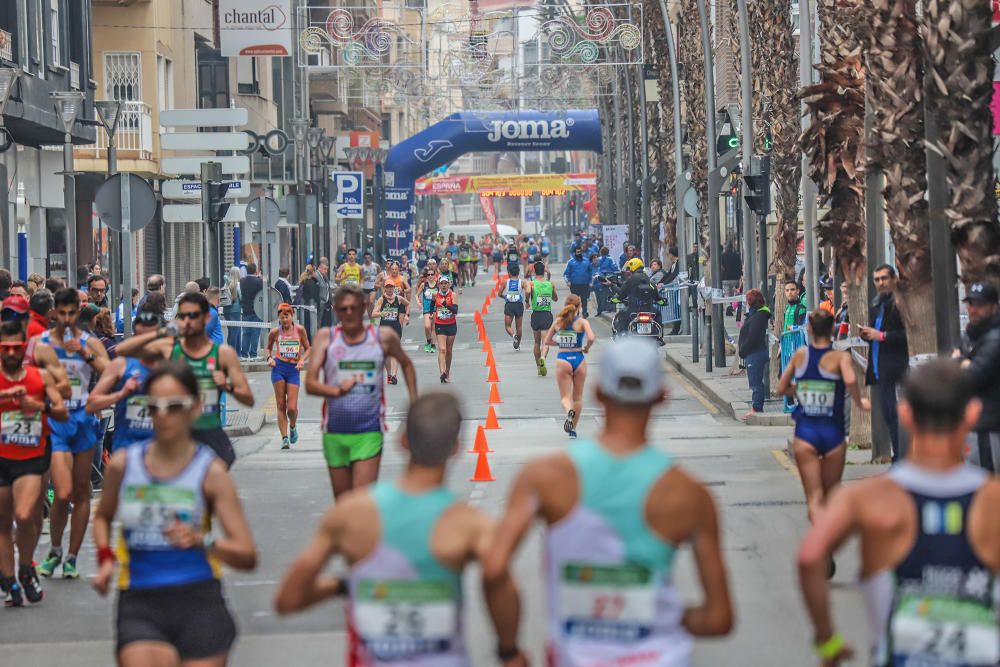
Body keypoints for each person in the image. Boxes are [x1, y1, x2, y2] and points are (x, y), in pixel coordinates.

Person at [485, 337, 734, 666]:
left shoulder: (545, 477)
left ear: (599, 393)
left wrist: (509, 649)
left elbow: (493, 569)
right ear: (661, 396)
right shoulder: (690, 494)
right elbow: (719, 618)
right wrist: (658, 617)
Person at [274, 392, 525, 665]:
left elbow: (289, 598)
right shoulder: (470, 524)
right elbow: (497, 578)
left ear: (402, 440)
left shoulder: (349, 514)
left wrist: (343, 585)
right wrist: (508, 651)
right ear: (455, 448)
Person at [797, 358, 1000, 667]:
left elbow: (810, 558)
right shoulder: (992, 499)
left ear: (905, 415)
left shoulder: (868, 498)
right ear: (972, 414)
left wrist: (828, 641)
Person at [91, 361, 258, 666]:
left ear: (195, 408)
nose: (164, 415)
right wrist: (105, 559)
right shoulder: (123, 465)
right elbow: (102, 517)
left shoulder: (211, 472)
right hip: (140, 600)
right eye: (155, 407)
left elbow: (247, 554)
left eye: (175, 406)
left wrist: (202, 541)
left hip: (199, 600)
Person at [777, 310, 871, 579]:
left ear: (808, 330)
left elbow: (782, 388)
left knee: (814, 499)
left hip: (806, 433)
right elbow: (851, 380)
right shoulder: (840, 357)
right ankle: (825, 542)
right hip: (832, 435)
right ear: (831, 331)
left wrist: (800, 392)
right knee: (830, 495)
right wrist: (859, 401)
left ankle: (821, 544)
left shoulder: (800, 356)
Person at [114, 292, 255, 468]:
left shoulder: (223, 354)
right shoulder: (169, 348)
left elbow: (249, 399)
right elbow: (122, 350)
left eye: (193, 315)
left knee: (210, 487)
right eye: (183, 316)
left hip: (209, 433)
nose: (188, 321)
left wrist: (227, 386)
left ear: (206, 318)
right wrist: (162, 332)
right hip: (178, 436)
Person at [306, 285, 417, 499]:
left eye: (353, 308)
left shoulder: (382, 337)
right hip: (335, 432)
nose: (349, 313)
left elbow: (407, 364)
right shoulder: (325, 338)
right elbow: (310, 383)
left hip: (369, 431)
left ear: (363, 308)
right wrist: (336, 391)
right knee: (343, 502)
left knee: (362, 500)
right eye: (344, 309)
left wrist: (415, 405)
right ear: (336, 311)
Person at [34, 288, 111, 580]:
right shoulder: (41, 344)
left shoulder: (89, 342)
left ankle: (71, 557)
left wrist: (86, 354)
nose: (66, 319)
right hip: (54, 421)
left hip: (83, 419)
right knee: (62, 492)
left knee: (81, 493)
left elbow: (109, 371)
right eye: (61, 313)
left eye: (71, 314)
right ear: (54, 313)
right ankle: (54, 548)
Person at [0, 320, 68, 606]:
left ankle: (26, 565)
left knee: (26, 514)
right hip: (2, 457)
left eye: (17, 346)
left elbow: (62, 411)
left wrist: (40, 406)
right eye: (6, 348)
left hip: (31, 456)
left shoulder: (40, 376)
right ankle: (10, 580)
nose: (12, 352)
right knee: (2, 523)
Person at [860, 264, 909, 462]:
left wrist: (881, 335)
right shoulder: (876, 304)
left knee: (899, 418)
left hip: (898, 370)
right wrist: (867, 335)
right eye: (877, 279)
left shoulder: (900, 303)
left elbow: (909, 335)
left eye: (884, 278)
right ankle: (898, 457)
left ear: (893, 278)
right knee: (889, 416)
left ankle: (902, 459)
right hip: (880, 371)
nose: (881, 283)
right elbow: (874, 334)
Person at [957, 281, 1000, 472]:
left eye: (979, 304)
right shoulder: (971, 336)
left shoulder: (995, 338)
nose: (973, 310)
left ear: (993, 307)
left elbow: (973, 377)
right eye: (970, 304)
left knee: (988, 485)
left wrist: (961, 363)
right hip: (973, 424)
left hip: (990, 425)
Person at [544, 294, 595, 438]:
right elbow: (591, 338)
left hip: (563, 359)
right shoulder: (582, 322)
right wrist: (586, 347)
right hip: (578, 359)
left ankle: (568, 412)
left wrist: (560, 343)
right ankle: (572, 430)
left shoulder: (558, 322)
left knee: (565, 397)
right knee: (577, 398)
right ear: (579, 307)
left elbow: (547, 341)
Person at [265, 304, 310, 451]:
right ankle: (284, 438)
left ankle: (292, 426)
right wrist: (269, 358)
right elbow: (267, 348)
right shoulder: (274, 332)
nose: (284, 320)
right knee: (280, 404)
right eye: (282, 317)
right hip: (279, 368)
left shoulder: (300, 330)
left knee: (291, 407)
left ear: (292, 316)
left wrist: (302, 360)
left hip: (293, 369)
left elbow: (308, 348)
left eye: (287, 316)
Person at [738, 288, 772, 419]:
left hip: (755, 353)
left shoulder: (757, 316)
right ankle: (756, 407)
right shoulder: (755, 315)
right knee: (756, 381)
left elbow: (752, 336)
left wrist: (743, 350)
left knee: (755, 382)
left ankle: (757, 409)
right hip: (755, 352)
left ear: (750, 301)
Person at [372, 281, 409, 385]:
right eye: (387, 287)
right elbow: (373, 313)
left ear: (394, 288)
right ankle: (389, 373)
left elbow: (407, 304)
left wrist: (407, 315)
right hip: (384, 329)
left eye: (391, 287)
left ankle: (394, 375)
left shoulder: (399, 298)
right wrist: (382, 313)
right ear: (385, 288)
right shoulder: (381, 299)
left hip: (396, 328)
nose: (389, 289)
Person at [525, 261, 558, 377]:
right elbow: (555, 299)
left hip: (536, 315)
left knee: (536, 342)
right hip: (546, 315)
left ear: (534, 270)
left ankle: (539, 367)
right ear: (544, 271)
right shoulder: (550, 284)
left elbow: (528, 291)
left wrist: (527, 301)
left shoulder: (531, 283)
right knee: (546, 342)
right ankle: (543, 357)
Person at [433, 276, 459, 383]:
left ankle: (447, 371)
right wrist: (431, 313)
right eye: (441, 283)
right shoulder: (435, 295)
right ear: (439, 285)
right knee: (442, 349)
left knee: (448, 351)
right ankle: (442, 372)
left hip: (451, 325)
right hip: (440, 325)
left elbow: (455, 310)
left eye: (445, 283)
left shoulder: (453, 295)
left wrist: (445, 304)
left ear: (449, 284)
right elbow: (431, 305)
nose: (443, 285)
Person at [239, 263, 264, 359]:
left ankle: (244, 354)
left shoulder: (242, 281)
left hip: (245, 309)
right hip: (257, 310)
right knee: (255, 332)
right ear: (256, 271)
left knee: (246, 333)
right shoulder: (259, 282)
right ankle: (253, 353)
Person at [564, 246, 595, 318]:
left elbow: (591, 272)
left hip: (585, 284)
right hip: (574, 285)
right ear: (575, 253)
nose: (579, 253)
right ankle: (576, 313)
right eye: (577, 252)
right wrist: (567, 282)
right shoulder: (571, 262)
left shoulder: (587, 261)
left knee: (584, 299)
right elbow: (566, 274)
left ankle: (584, 312)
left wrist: (591, 282)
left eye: (580, 252)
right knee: (575, 300)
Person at [415, 267, 439, 354]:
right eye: (428, 275)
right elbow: (416, 295)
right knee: (427, 326)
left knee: (433, 327)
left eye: (432, 274)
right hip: (426, 308)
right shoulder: (424, 285)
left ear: (435, 275)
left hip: (436, 308)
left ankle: (432, 345)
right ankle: (428, 341)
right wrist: (418, 303)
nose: (430, 276)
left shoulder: (438, 285)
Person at [502, 263, 525, 350]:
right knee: (519, 327)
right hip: (519, 305)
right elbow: (528, 291)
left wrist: (505, 297)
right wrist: (526, 300)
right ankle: (517, 345)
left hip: (509, 305)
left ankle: (513, 335)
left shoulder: (505, 282)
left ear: (509, 273)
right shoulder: (522, 282)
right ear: (518, 272)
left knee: (507, 326)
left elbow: (499, 293)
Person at [222, 266, 242, 352]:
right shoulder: (238, 284)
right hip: (236, 310)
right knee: (235, 332)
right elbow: (241, 297)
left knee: (230, 332)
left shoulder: (226, 284)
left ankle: (228, 350)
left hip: (226, 309)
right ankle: (232, 352)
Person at [360, 252, 381, 316]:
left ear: (371, 258)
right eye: (366, 258)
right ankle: (371, 318)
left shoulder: (376, 266)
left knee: (371, 302)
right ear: (364, 259)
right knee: (367, 303)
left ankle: (374, 312)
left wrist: (379, 283)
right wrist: (361, 284)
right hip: (365, 287)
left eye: (368, 257)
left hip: (373, 287)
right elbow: (362, 278)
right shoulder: (362, 267)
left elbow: (380, 274)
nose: (367, 259)